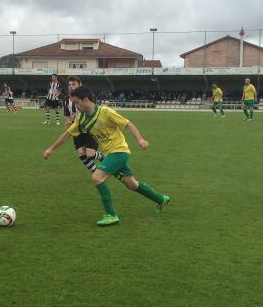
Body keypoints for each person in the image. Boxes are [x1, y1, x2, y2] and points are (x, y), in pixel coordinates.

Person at [43, 86, 170, 226]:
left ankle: (111, 215)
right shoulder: (82, 118)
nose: (76, 106)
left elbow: (127, 124)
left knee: (97, 177)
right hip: (109, 154)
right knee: (131, 184)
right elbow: (67, 134)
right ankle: (161, 199)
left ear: (86, 100)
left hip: (120, 152)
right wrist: (51, 148)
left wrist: (140, 140)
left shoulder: (106, 112)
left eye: (77, 103)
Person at [64, 75, 103, 173]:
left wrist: (78, 116)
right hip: (77, 130)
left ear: (79, 85)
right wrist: (68, 122)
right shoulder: (65, 100)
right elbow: (67, 116)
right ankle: (95, 172)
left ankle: (101, 156)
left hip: (88, 128)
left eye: (74, 84)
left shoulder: (86, 96)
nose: (71, 86)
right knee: (81, 153)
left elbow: (94, 110)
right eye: (69, 85)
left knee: (89, 153)